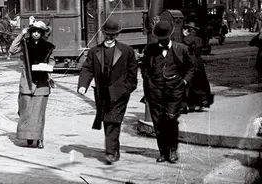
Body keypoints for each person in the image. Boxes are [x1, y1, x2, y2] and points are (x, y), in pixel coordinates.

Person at [76, 17, 138, 165]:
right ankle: (113, 150)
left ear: (117, 35)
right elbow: (87, 69)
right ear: (103, 34)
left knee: (113, 120)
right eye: (107, 35)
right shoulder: (94, 51)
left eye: (113, 35)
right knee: (107, 120)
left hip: (120, 93)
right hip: (102, 92)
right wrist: (83, 85)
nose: (110, 38)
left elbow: (132, 72)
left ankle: (110, 152)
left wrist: (127, 89)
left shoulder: (126, 51)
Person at [141, 18, 196, 164]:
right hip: (155, 91)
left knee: (171, 119)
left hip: (175, 91)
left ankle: (172, 150)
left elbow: (192, 68)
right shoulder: (150, 49)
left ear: (170, 36)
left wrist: (184, 81)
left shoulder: (181, 49)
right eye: (161, 39)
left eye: (165, 38)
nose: (163, 41)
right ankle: (162, 152)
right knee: (158, 122)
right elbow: (144, 68)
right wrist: (149, 82)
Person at [9, 20, 55, 148]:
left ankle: (39, 138)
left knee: (38, 113)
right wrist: (21, 35)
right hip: (27, 82)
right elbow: (12, 50)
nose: (35, 34)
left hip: (42, 84)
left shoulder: (48, 46)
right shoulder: (25, 44)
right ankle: (28, 137)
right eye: (33, 31)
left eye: (38, 32)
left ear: (42, 33)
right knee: (25, 111)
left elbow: (52, 61)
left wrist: (48, 68)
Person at [181, 22, 213, 111]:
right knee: (201, 83)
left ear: (188, 30)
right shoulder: (198, 39)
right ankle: (202, 101)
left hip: (190, 63)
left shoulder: (186, 39)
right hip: (199, 63)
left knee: (190, 84)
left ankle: (190, 104)